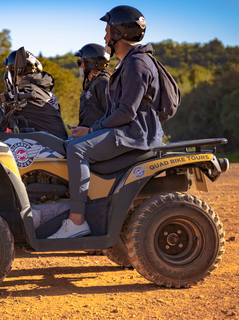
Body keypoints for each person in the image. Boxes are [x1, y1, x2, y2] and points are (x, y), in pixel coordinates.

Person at [48, 5, 163, 238]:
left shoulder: (136, 63)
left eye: (107, 30)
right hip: (129, 131)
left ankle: (77, 220)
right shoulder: (129, 63)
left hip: (134, 134)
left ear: (119, 33)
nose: (104, 36)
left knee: (77, 151)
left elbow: (126, 112)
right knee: (71, 145)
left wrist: (92, 129)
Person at [3, 49, 68, 140]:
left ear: (14, 71)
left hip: (48, 145)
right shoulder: (41, 89)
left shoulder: (27, 89)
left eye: (9, 69)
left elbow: (3, 102)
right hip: (52, 142)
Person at [74, 43, 111, 127]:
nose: (79, 66)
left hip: (97, 136)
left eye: (80, 62)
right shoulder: (91, 83)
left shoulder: (102, 82)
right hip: (89, 134)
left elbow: (111, 115)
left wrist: (89, 131)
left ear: (90, 63)